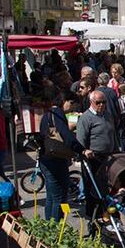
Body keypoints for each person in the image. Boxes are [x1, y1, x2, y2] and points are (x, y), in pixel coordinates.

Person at [38, 92, 85, 220]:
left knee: (51, 197)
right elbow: (66, 136)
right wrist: (81, 150)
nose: (73, 110)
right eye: (73, 106)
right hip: (55, 160)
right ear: (67, 102)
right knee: (60, 196)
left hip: (46, 158)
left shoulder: (48, 113)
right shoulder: (57, 113)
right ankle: (57, 228)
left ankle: (49, 225)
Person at [76, 90, 118, 232]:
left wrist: (117, 150)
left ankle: (109, 216)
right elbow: (80, 140)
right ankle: (92, 219)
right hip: (93, 158)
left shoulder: (107, 115)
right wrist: (84, 152)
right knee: (93, 190)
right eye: (98, 102)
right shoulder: (86, 118)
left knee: (108, 188)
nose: (101, 105)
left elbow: (113, 134)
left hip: (108, 156)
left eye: (104, 102)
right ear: (91, 103)